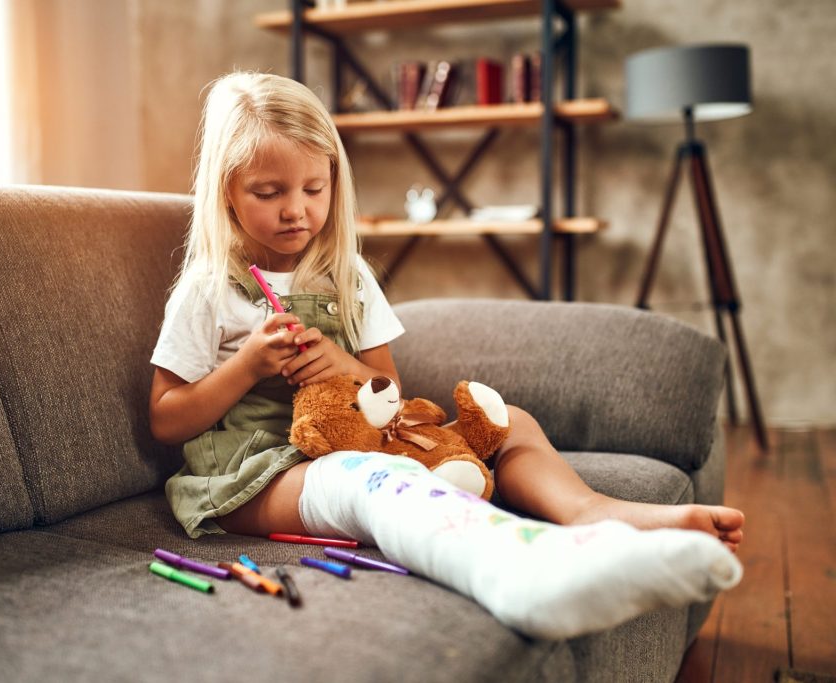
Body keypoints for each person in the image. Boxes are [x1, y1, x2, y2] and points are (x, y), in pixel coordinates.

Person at [149, 71, 745, 639]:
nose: (296, 210)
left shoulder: (346, 276)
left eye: (314, 188)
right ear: (226, 194)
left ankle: (589, 512)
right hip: (252, 477)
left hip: (355, 437)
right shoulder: (208, 291)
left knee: (511, 423)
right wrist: (247, 365)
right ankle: (519, 567)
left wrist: (342, 365)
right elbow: (167, 417)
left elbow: (387, 387)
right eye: (269, 192)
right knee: (369, 479)